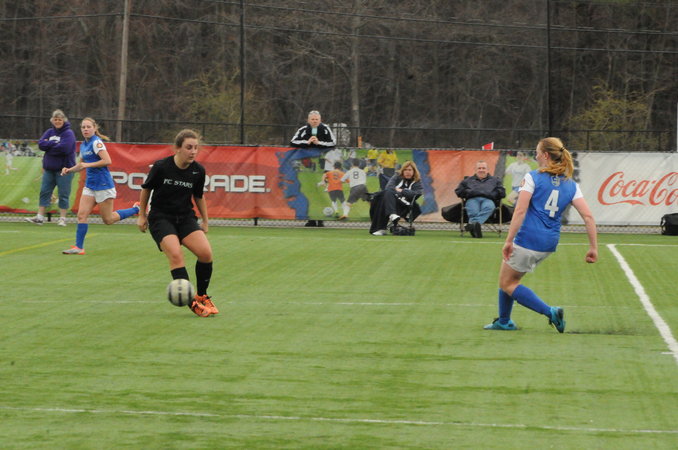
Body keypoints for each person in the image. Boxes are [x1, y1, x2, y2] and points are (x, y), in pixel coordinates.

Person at [484, 137, 597, 332]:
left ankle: (550, 312)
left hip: (528, 239)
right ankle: (503, 321)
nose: (535, 156)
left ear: (545, 155)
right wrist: (593, 247)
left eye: (537, 152)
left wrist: (508, 240)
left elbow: (520, 211)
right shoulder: (571, 184)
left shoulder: (532, 177)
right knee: (509, 277)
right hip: (549, 243)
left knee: (507, 283)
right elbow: (588, 217)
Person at [137, 129, 218, 318]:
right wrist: (142, 215)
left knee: (206, 254)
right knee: (176, 255)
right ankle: (191, 302)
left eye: (196, 148)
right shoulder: (161, 167)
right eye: (189, 147)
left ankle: (202, 295)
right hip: (161, 218)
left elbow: (199, 196)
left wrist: (205, 221)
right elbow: (146, 189)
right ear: (178, 148)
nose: (193, 151)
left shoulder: (198, 171)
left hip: (185, 218)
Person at [60, 117, 140, 255]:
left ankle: (136, 208)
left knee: (108, 220)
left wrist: (87, 165)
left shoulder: (96, 143)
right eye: (83, 127)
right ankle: (79, 248)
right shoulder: (84, 145)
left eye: (88, 127)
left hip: (103, 185)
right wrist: (69, 170)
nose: (85, 129)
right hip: (90, 186)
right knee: (81, 215)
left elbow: (107, 160)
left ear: (94, 128)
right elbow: (81, 164)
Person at [25, 109, 77, 226]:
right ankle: (40, 217)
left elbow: (65, 149)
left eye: (60, 119)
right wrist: (55, 144)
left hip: (64, 170)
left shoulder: (68, 133)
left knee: (63, 194)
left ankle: (62, 219)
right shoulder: (49, 132)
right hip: (49, 169)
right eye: (55, 119)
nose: (57, 121)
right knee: (44, 192)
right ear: (52, 120)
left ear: (64, 120)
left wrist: (49, 146)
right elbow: (41, 144)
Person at [290, 110, 337, 227]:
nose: (315, 121)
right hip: (306, 167)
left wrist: (319, 143)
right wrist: (307, 142)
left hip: (321, 166)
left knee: (321, 192)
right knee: (308, 192)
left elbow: (333, 143)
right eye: (312, 119)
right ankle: (310, 218)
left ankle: (321, 218)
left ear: (320, 120)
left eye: (316, 119)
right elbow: (293, 142)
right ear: (308, 120)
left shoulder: (325, 129)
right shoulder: (303, 129)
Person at [369, 160, 423, 235]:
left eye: (410, 170)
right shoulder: (397, 176)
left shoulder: (417, 181)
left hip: (405, 204)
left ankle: (380, 227)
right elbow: (389, 187)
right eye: (405, 170)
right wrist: (397, 192)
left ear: (414, 171)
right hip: (391, 201)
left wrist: (402, 191)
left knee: (384, 196)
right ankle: (390, 217)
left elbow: (416, 194)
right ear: (402, 171)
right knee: (382, 198)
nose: (407, 172)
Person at [454, 160, 506, 238]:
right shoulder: (467, 180)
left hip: (488, 199)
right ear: (475, 170)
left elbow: (502, 192)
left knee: (489, 207)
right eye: (479, 168)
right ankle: (475, 228)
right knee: (473, 211)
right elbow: (458, 191)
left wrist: (493, 194)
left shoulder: (495, 180)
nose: (481, 170)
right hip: (472, 199)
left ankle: (472, 225)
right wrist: (468, 192)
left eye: (483, 168)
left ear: (487, 170)